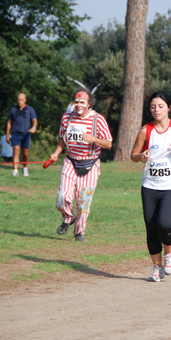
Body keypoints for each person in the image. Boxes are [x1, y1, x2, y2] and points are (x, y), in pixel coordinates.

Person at [130, 91, 171, 282]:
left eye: (160, 106)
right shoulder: (145, 130)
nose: (156, 110)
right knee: (151, 228)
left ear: (169, 108)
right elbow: (133, 155)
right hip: (149, 185)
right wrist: (141, 156)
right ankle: (157, 268)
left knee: (163, 223)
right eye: (153, 107)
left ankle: (169, 253)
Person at [50, 89, 113, 242]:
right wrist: (56, 153)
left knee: (83, 200)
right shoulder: (67, 118)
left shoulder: (98, 119)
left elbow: (108, 143)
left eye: (82, 102)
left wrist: (92, 138)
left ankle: (79, 232)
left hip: (90, 162)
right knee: (62, 196)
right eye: (76, 102)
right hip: (70, 161)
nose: (78, 105)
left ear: (89, 104)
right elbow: (62, 139)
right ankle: (68, 218)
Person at [6, 92, 37, 176]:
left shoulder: (30, 109)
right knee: (16, 151)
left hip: (26, 134)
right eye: (18, 100)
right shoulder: (13, 110)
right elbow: (9, 122)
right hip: (16, 133)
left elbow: (34, 120)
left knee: (25, 153)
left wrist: (33, 128)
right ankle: (15, 170)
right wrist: (7, 135)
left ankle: (25, 167)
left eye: (21, 100)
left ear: (25, 100)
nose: (19, 101)